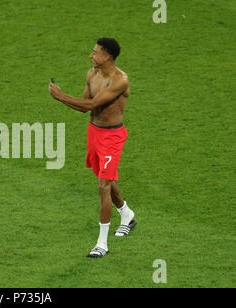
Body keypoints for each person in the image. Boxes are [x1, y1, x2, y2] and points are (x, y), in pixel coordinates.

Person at [48, 38, 137, 258]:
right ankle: (126, 213)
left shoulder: (120, 81)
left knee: (103, 185)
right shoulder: (92, 74)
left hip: (112, 136)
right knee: (103, 178)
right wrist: (61, 99)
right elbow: (83, 108)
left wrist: (59, 96)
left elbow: (92, 104)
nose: (91, 55)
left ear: (107, 56)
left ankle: (101, 244)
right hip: (94, 132)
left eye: (95, 52)